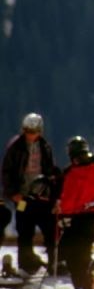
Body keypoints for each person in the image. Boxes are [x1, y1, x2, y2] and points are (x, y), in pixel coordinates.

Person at [1, 113, 60, 275]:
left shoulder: (45, 147)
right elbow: (7, 171)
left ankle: (54, 263)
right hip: (23, 196)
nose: (30, 134)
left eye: (33, 131)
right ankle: (26, 265)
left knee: (50, 230)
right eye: (27, 131)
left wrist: (53, 192)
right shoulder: (15, 147)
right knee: (25, 232)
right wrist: (12, 193)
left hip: (42, 196)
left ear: (40, 131)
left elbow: (50, 170)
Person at [56, 138, 94, 289]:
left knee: (74, 260)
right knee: (84, 258)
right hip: (91, 220)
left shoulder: (73, 174)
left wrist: (62, 213)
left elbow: (69, 200)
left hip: (75, 221)